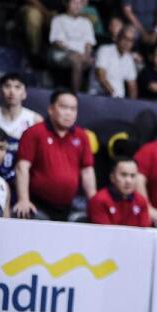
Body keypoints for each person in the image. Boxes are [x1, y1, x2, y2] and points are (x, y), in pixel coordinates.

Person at [13, 90, 96, 221]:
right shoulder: (34, 132)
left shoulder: (82, 136)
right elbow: (22, 167)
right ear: (51, 109)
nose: (68, 113)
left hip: (69, 206)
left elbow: (87, 172)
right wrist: (23, 199)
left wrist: (94, 203)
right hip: (37, 205)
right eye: (64, 107)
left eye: (73, 109)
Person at [48, 0, 96, 92]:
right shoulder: (58, 20)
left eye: (80, 3)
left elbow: (89, 43)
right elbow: (57, 43)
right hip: (62, 54)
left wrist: (86, 55)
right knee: (76, 61)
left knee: (95, 61)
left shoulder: (86, 22)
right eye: (74, 2)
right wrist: (73, 53)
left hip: (82, 54)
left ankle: (90, 92)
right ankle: (75, 94)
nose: (77, 6)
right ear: (67, 3)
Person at [0, 74, 42, 184]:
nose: (12, 91)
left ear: (24, 94)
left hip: (23, 176)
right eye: (7, 86)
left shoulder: (35, 120)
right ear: (0, 91)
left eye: (17, 87)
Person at [87, 157, 151, 227]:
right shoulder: (99, 200)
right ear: (112, 177)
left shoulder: (141, 201)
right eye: (123, 175)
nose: (128, 181)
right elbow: (103, 232)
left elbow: (144, 231)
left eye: (132, 176)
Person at [94, 26, 139, 99]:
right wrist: (114, 96)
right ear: (118, 38)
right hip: (99, 97)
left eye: (130, 41)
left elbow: (132, 87)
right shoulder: (104, 50)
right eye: (125, 38)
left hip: (118, 100)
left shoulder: (129, 59)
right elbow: (101, 78)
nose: (127, 43)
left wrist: (132, 103)